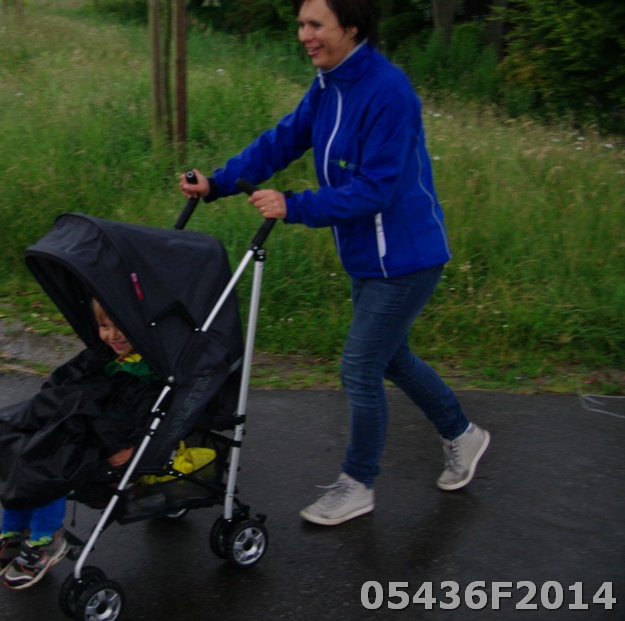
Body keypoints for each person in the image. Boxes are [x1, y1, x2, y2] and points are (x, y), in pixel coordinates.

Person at [179, 0, 489, 526]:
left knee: (360, 366)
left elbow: (374, 190)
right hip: (368, 255)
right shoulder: (329, 84)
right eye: (301, 24)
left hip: (405, 257)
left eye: (315, 24)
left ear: (351, 27)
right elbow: (283, 140)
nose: (305, 35)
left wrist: (294, 205)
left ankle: (357, 483)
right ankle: (463, 434)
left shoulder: (389, 91)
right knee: (390, 358)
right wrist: (218, 183)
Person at [0, 298, 160, 588]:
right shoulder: (102, 356)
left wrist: (119, 446)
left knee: (49, 454)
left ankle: (45, 538)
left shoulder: (147, 375)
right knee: (9, 428)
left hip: (106, 447)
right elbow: (60, 384)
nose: (112, 335)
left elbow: (127, 423)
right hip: (78, 427)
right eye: (104, 326)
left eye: (120, 326)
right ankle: (13, 530)